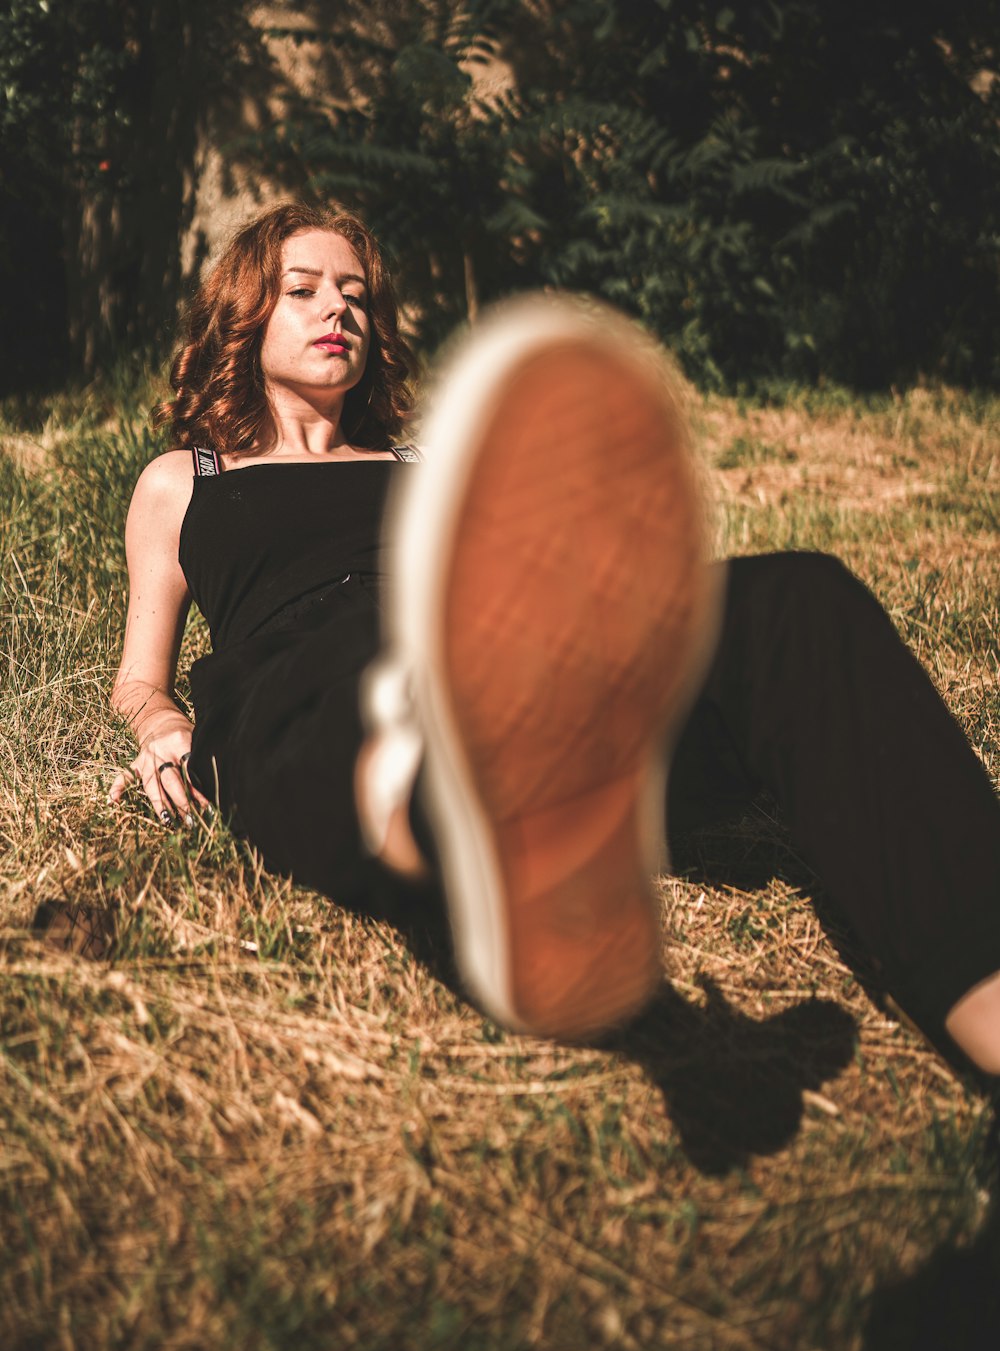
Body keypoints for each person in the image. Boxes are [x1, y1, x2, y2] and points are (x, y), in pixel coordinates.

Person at [110, 201, 1000, 1073]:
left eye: (355, 294)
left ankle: (982, 993)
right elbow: (139, 680)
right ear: (245, 314)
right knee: (393, 661)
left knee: (800, 601)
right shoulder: (186, 480)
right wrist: (160, 729)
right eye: (302, 289)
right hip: (308, 697)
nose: (338, 308)